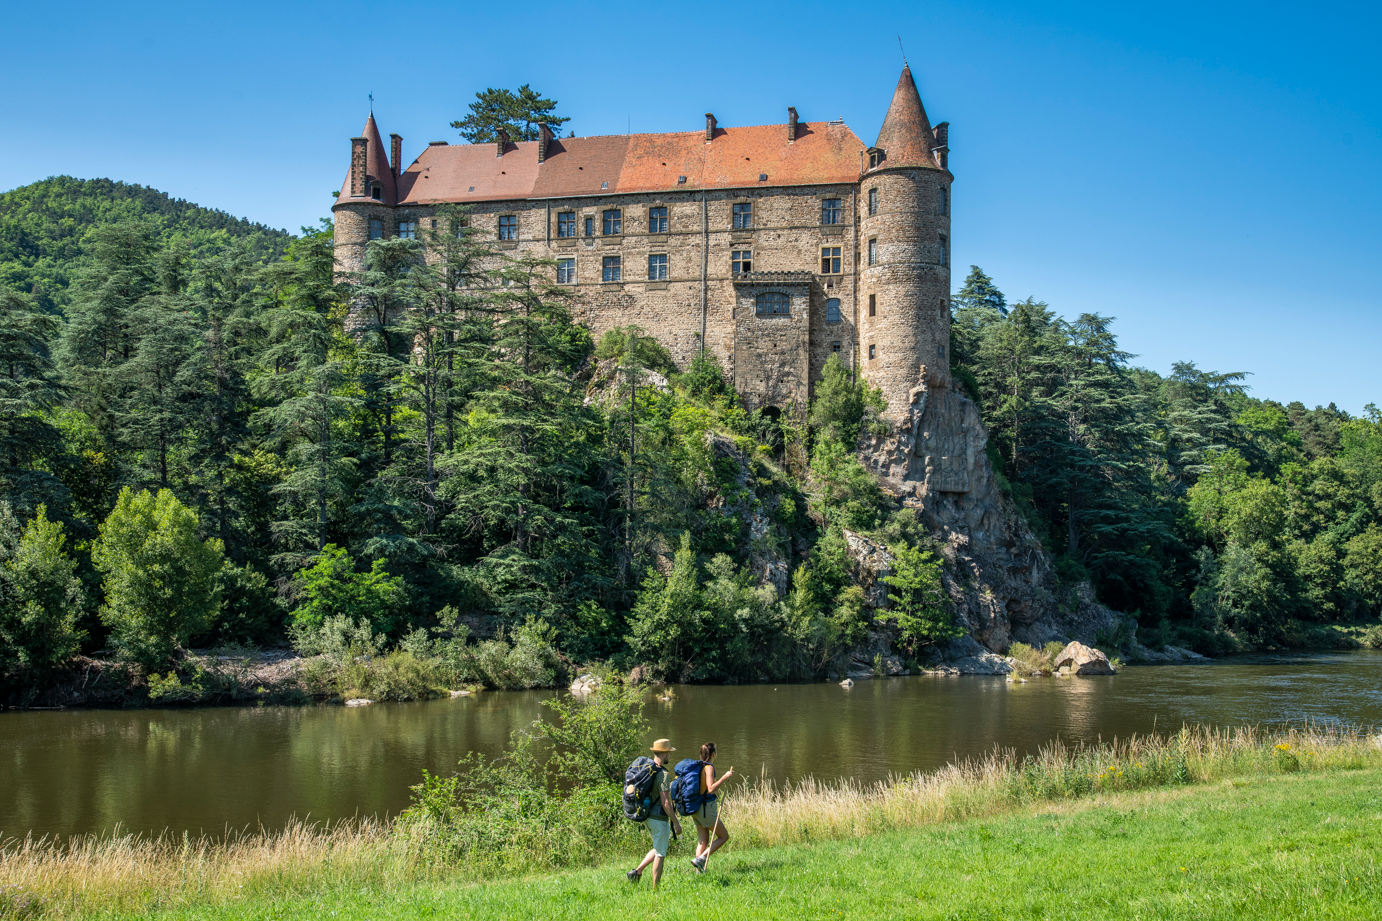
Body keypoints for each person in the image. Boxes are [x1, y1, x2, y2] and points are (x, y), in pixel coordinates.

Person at [627, 738, 682, 888]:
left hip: (647, 816)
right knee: (660, 854)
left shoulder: (648, 770)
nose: (670, 755)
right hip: (658, 819)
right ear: (663, 754)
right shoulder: (663, 774)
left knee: (658, 847)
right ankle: (655, 890)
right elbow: (665, 803)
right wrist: (676, 822)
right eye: (669, 753)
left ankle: (636, 872)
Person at [690, 742, 734, 873]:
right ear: (713, 754)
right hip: (705, 808)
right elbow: (710, 789)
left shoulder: (698, 766)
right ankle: (701, 858)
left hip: (696, 808)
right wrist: (724, 777)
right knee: (723, 836)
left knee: (702, 841)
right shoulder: (709, 768)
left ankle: (699, 872)